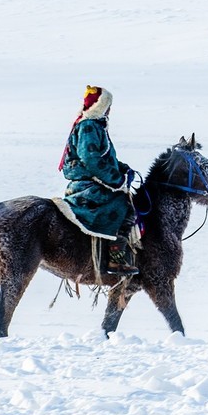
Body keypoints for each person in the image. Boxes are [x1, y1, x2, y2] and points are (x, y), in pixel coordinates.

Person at [58, 86, 140, 276]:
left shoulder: (93, 125)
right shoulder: (90, 126)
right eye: (108, 106)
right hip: (88, 186)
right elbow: (91, 160)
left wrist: (122, 168)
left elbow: (103, 157)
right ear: (102, 106)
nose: (110, 110)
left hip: (90, 181)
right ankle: (116, 260)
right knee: (125, 207)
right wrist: (118, 179)